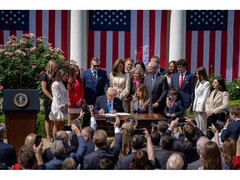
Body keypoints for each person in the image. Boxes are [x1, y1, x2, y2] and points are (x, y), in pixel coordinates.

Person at [39, 59, 58, 143]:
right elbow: (43, 89)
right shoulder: (44, 76)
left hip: (56, 99)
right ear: (51, 67)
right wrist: (51, 97)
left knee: (55, 119)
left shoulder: (56, 75)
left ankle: (55, 136)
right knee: (48, 119)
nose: (56, 68)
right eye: (55, 67)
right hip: (49, 100)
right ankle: (48, 136)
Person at [49, 68, 69, 139]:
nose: (66, 77)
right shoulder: (56, 84)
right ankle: (55, 140)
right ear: (61, 75)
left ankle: (60, 139)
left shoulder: (62, 83)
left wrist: (66, 105)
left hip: (63, 104)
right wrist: (61, 107)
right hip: (57, 106)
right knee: (57, 124)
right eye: (65, 75)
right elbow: (57, 97)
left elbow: (66, 95)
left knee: (61, 124)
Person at [192, 67, 210, 135]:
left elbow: (205, 96)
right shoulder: (197, 82)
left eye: (198, 74)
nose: (196, 75)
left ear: (202, 74)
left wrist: (201, 108)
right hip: (196, 105)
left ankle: (204, 138)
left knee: (202, 125)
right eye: (196, 74)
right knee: (197, 124)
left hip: (200, 107)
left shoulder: (206, 83)